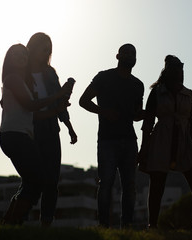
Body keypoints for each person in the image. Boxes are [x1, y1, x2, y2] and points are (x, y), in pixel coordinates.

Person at [0, 44, 72, 224]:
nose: (21, 56)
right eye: (15, 54)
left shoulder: (22, 81)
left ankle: (8, 222)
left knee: (32, 180)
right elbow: (30, 105)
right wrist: (58, 95)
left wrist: (57, 110)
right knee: (37, 180)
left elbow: (33, 113)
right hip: (14, 136)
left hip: (20, 135)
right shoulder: (13, 79)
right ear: (9, 59)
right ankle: (12, 222)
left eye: (24, 53)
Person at [138, 55, 192, 230]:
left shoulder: (190, 95)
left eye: (181, 68)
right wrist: (144, 148)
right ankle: (153, 224)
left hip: (185, 140)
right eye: (175, 68)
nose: (179, 72)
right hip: (161, 139)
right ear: (167, 70)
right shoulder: (156, 92)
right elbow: (148, 122)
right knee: (157, 184)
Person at [79, 43, 144, 228]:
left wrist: (147, 114)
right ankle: (104, 225)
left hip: (130, 140)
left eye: (133, 53)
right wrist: (104, 111)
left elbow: (136, 114)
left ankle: (127, 226)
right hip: (108, 140)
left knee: (129, 186)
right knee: (106, 184)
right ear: (117, 56)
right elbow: (83, 101)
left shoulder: (137, 85)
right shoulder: (104, 77)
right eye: (126, 52)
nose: (130, 56)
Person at [26, 32, 77, 226]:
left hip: (50, 128)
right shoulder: (22, 72)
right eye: (43, 47)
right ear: (33, 47)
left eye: (49, 49)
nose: (46, 52)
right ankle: (17, 216)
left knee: (51, 180)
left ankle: (46, 223)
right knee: (32, 179)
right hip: (30, 129)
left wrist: (70, 127)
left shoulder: (50, 73)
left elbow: (59, 101)